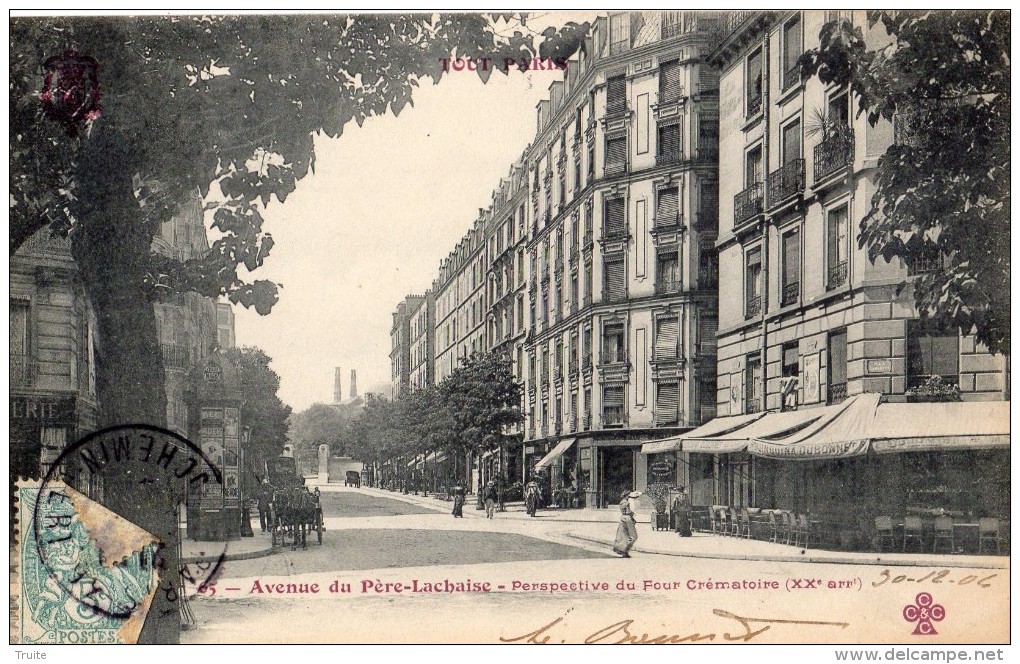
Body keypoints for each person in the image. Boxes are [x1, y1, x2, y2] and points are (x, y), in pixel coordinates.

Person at [612, 490, 641, 558]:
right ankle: (625, 550)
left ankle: (623, 551)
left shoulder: (621, 502)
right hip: (627, 518)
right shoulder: (626, 503)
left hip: (622, 518)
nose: (629, 496)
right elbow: (628, 512)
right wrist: (633, 516)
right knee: (633, 536)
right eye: (628, 495)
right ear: (626, 495)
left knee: (624, 535)